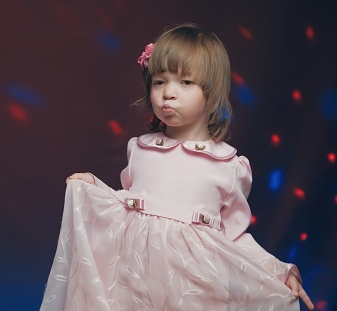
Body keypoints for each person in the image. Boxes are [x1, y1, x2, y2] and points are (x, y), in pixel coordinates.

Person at [40, 23, 314, 311]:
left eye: (185, 82)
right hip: (132, 282)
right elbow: (127, 210)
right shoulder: (140, 148)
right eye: (159, 81)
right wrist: (95, 189)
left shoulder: (228, 166)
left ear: (212, 91)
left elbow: (234, 238)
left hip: (193, 289)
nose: (168, 93)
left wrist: (278, 270)